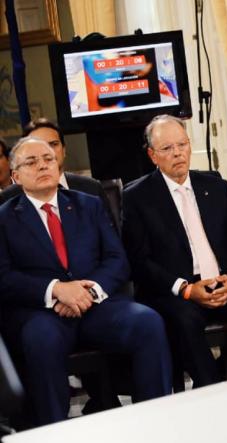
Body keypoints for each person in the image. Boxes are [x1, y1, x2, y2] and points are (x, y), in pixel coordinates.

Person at [0, 137, 172, 426]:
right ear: (15, 176)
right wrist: (56, 290)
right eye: (31, 162)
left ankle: (155, 420)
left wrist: (87, 292)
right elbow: (4, 277)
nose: (43, 165)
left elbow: (117, 259)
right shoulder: (4, 218)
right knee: (40, 339)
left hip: (96, 306)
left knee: (148, 322)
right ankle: (53, 431)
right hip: (43, 312)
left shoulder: (88, 204)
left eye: (48, 159)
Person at [122, 115, 227, 387]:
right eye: (167, 148)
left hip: (222, 284)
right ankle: (211, 389)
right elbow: (139, 261)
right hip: (177, 293)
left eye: (182, 144)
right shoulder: (137, 196)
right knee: (184, 321)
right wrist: (186, 289)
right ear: (152, 155)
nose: (178, 153)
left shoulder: (215, 186)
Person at [0, 118, 116, 230]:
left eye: (53, 144)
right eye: (39, 146)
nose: (47, 151)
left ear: (64, 150)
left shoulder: (91, 188)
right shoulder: (8, 198)